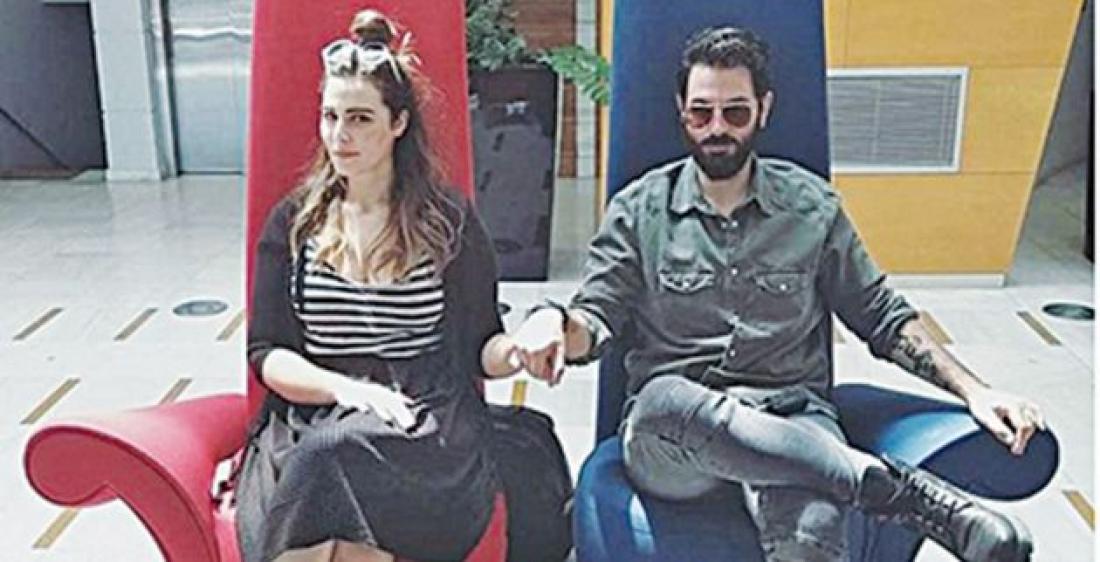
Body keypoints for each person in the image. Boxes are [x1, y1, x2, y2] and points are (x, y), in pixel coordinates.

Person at [506, 27, 1046, 562]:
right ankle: (890, 490)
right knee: (662, 401)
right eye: (701, 113)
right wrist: (552, 321)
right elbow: (595, 319)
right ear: (681, 111)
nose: (717, 128)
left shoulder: (811, 208)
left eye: (735, 112)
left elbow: (881, 316)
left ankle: (845, 478)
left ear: (764, 109)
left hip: (793, 418)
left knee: (816, 527)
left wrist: (974, 391)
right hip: (674, 445)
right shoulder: (639, 210)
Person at [236, 10, 523, 562]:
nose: (339, 135)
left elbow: (481, 345)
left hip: (422, 419)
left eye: (360, 118)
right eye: (330, 116)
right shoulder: (294, 221)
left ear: (398, 123)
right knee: (323, 456)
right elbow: (267, 352)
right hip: (314, 410)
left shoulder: (447, 221)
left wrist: (519, 352)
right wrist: (346, 390)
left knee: (330, 459)